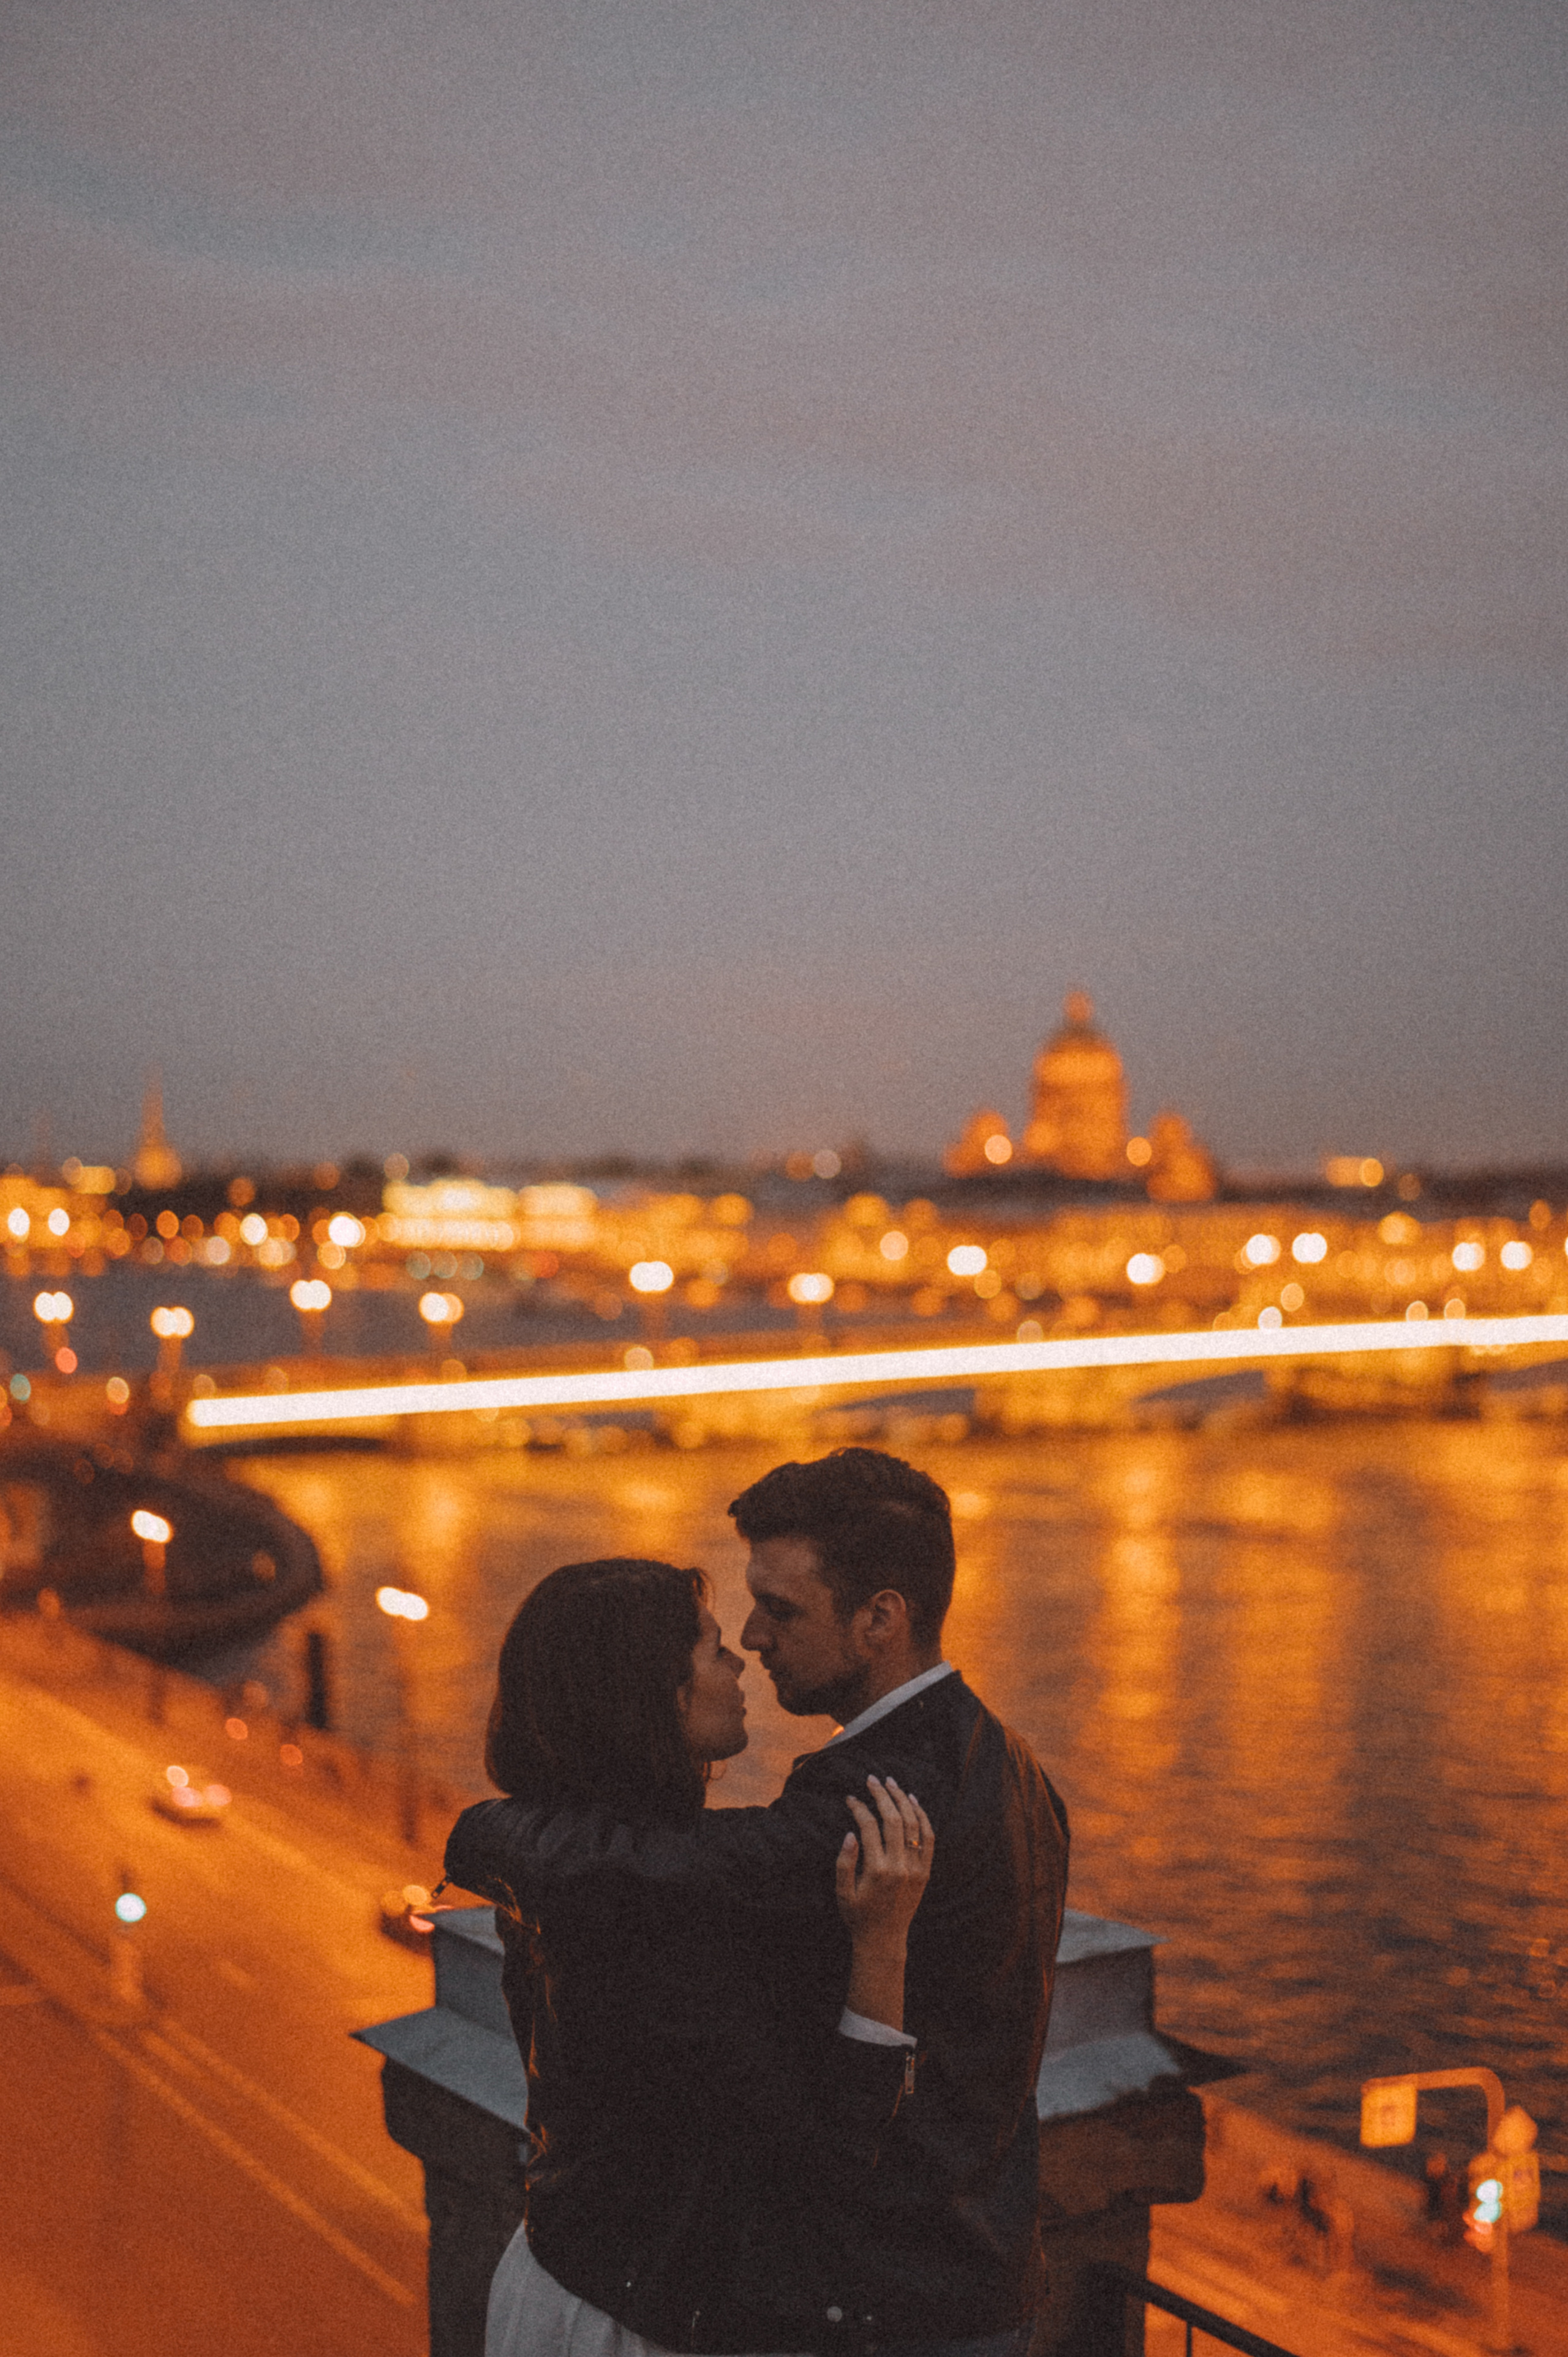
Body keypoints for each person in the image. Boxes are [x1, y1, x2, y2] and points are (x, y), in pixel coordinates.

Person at [449, 1448, 1069, 2357]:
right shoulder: (1010, 1763)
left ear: (880, 1619)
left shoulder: (866, 1808)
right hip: (978, 2272)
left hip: (878, 2308)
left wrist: (487, 1834)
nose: (751, 1640)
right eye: (728, 1629)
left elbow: (655, 1878)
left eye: (780, 1609)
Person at [461, 1553, 937, 2357]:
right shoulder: (658, 1915)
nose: (741, 1659)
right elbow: (830, 2154)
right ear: (655, 1695)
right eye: (714, 1648)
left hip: (564, 2280)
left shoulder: (578, 1870)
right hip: (636, 2326)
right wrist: (882, 1943)